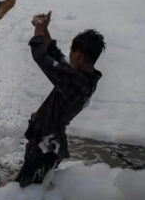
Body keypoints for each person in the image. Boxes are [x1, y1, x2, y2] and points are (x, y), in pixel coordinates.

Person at [16, 11, 105, 188]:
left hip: (46, 147)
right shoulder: (85, 77)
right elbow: (56, 56)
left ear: (79, 55)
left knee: (23, 191)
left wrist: (39, 29)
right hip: (49, 145)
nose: (68, 55)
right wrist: (45, 29)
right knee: (33, 192)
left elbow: (40, 56)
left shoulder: (74, 79)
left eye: (72, 51)